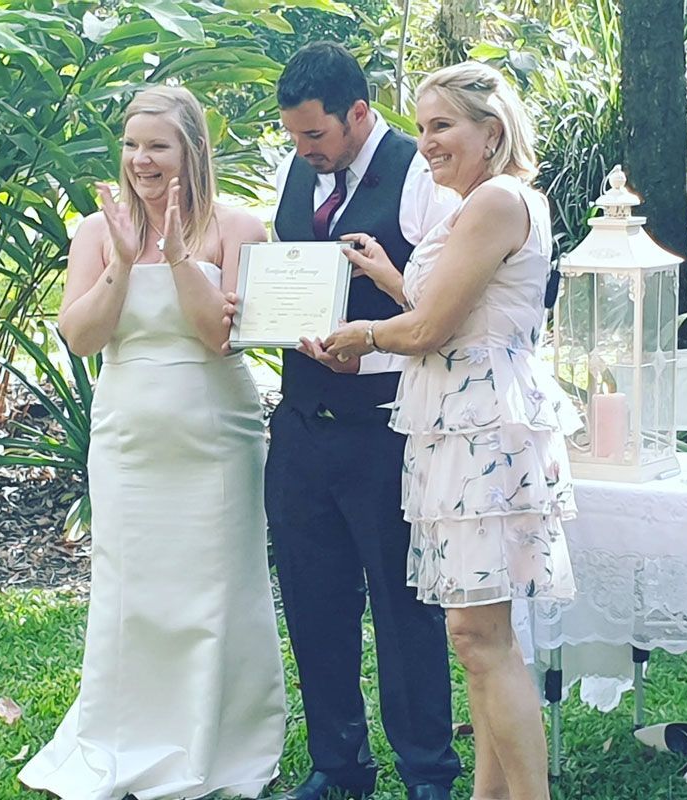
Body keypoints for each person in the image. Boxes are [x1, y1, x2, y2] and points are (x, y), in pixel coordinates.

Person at [19, 86, 285, 800]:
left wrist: (172, 258)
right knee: (132, 589)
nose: (141, 160)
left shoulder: (239, 229)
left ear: (191, 152)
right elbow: (81, 337)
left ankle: (220, 741)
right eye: (132, 145)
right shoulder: (94, 232)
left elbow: (221, 337)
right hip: (129, 439)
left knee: (216, 590)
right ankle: (123, 735)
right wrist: (122, 260)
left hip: (216, 439)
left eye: (157, 145)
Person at [324, 61, 577, 800]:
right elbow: (453, 311)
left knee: (478, 637)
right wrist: (388, 280)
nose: (425, 143)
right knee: (476, 640)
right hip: (456, 418)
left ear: (491, 131)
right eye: (422, 126)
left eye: (442, 126)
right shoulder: (475, 203)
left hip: (483, 427)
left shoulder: (497, 199)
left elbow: (435, 329)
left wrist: (363, 335)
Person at [231, 41, 462, 800]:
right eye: (295, 137)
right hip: (300, 426)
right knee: (312, 597)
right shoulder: (304, 169)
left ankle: (427, 771)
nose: (303, 151)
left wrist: (368, 357)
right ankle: (338, 766)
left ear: (359, 113)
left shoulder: (421, 180)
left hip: (386, 427)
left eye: (315, 136)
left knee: (403, 611)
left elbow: (442, 320)